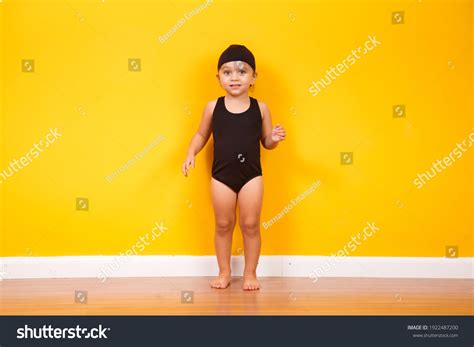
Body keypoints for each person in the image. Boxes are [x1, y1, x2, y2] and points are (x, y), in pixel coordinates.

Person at [182, 44, 286, 290]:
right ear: (219, 78)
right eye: (227, 72)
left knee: (250, 224)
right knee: (223, 224)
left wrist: (274, 138)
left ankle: (250, 274)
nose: (235, 77)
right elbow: (200, 135)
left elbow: (266, 142)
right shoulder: (212, 107)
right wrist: (190, 152)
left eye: (242, 71)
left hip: (251, 176)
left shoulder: (260, 108)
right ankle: (224, 271)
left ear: (253, 77)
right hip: (221, 177)